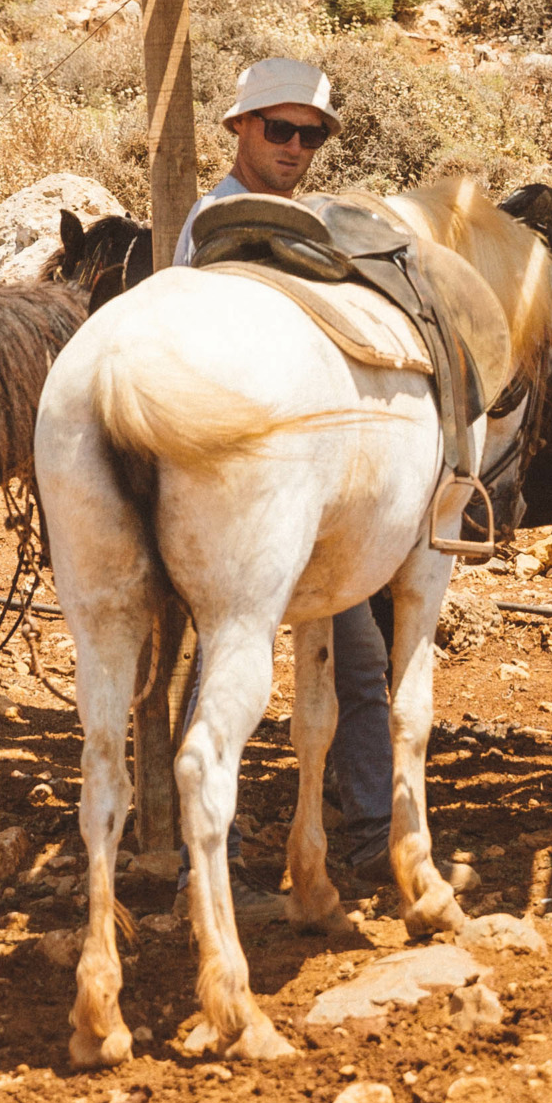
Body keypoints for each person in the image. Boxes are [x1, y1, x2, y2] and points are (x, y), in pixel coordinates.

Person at [177, 58, 397, 885]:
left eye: (310, 134)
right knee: (231, 658)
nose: (296, 146)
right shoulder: (215, 225)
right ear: (238, 128)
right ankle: (219, 845)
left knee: (358, 659)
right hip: (242, 490)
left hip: (315, 488)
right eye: (279, 129)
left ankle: (370, 824)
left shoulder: (307, 226)